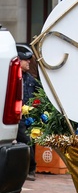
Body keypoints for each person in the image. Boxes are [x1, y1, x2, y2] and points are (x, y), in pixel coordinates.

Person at [15, 46, 37, 180]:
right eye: (26, 60)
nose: (29, 62)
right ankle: (30, 169)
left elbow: (40, 94)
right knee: (25, 140)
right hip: (18, 116)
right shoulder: (14, 77)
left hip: (29, 116)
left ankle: (30, 170)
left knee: (30, 141)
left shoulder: (30, 79)